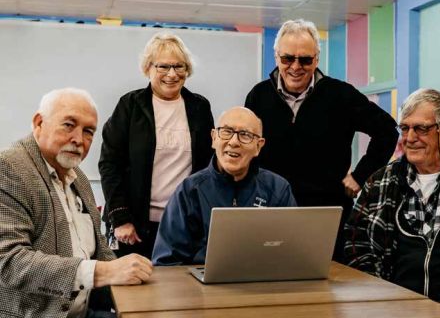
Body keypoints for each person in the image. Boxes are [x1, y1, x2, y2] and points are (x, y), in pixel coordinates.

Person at [245, 19, 398, 261]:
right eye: (288, 58)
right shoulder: (258, 96)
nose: (296, 66)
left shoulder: (341, 95)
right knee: (269, 278)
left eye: (305, 59)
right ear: (276, 57)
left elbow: (388, 131)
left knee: (327, 284)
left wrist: (360, 175)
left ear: (317, 59)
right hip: (270, 210)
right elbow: (247, 147)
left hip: (326, 213)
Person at [345, 88, 440, 318]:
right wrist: (377, 291)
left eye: (421, 128)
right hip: (394, 309)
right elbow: (355, 242)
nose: (410, 138)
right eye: (405, 128)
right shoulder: (381, 182)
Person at [0, 88, 153, 318]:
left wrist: (131, 275)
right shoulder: (8, 168)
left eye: (88, 131)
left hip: (84, 310)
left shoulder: (78, 177)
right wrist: (103, 271)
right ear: (39, 123)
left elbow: (100, 248)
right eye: (69, 125)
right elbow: (9, 262)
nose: (79, 140)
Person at [99, 31, 214, 259]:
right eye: (163, 67)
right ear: (148, 68)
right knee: (135, 290)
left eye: (179, 67)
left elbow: (208, 167)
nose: (172, 74)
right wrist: (121, 219)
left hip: (183, 224)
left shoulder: (200, 108)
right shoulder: (130, 106)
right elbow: (110, 165)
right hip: (135, 227)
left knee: (180, 291)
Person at [152, 107, 297, 265]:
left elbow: (292, 252)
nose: (234, 142)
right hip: (202, 284)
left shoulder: (277, 189)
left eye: (245, 135)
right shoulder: (189, 190)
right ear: (214, 138)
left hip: (262, 282)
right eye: (227, 131)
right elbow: (166, 262)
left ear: (258, 146)